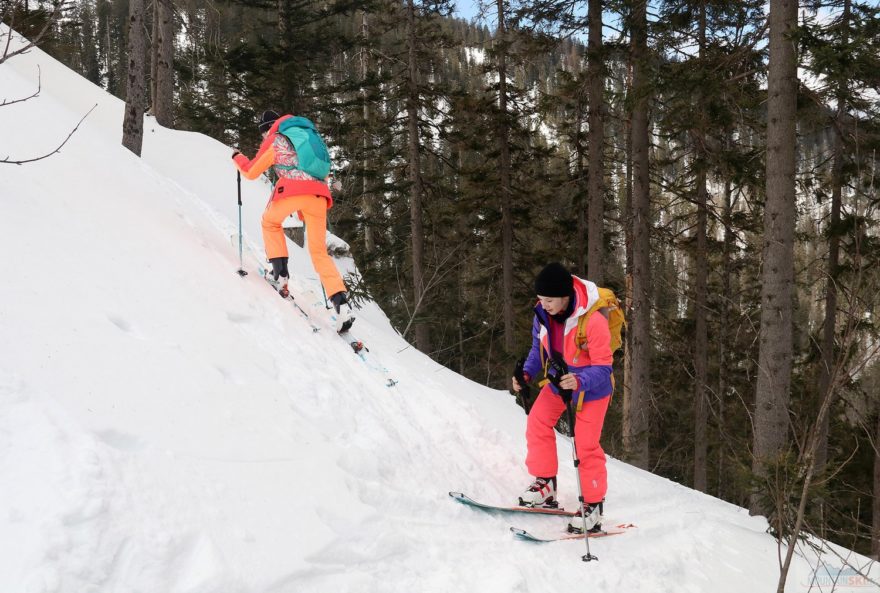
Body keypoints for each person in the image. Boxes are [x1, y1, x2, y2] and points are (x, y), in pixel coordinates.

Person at [511, 262, 614, 534]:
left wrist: (580, 381)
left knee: (585, 444)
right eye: (541, 299)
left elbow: (604, 367)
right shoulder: (542, 316)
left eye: (549, 300)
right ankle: (546, 484)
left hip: (593, 389)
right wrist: (526, 374)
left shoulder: (593, 320)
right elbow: (538, 350)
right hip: (560, 382)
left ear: (565, 296)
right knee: (537, 422)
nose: (543, 304)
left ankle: (593, 505)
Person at [232, 110, 352, 327]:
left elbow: (251, 172)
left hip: (294, 192)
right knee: (318, 251)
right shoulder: (304, 134)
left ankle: (280, 275)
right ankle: (341, 302)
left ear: (267, 128)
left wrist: (236, 157)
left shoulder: (275, 140)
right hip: (319, 196)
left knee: (269, 222)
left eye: (262, 133)